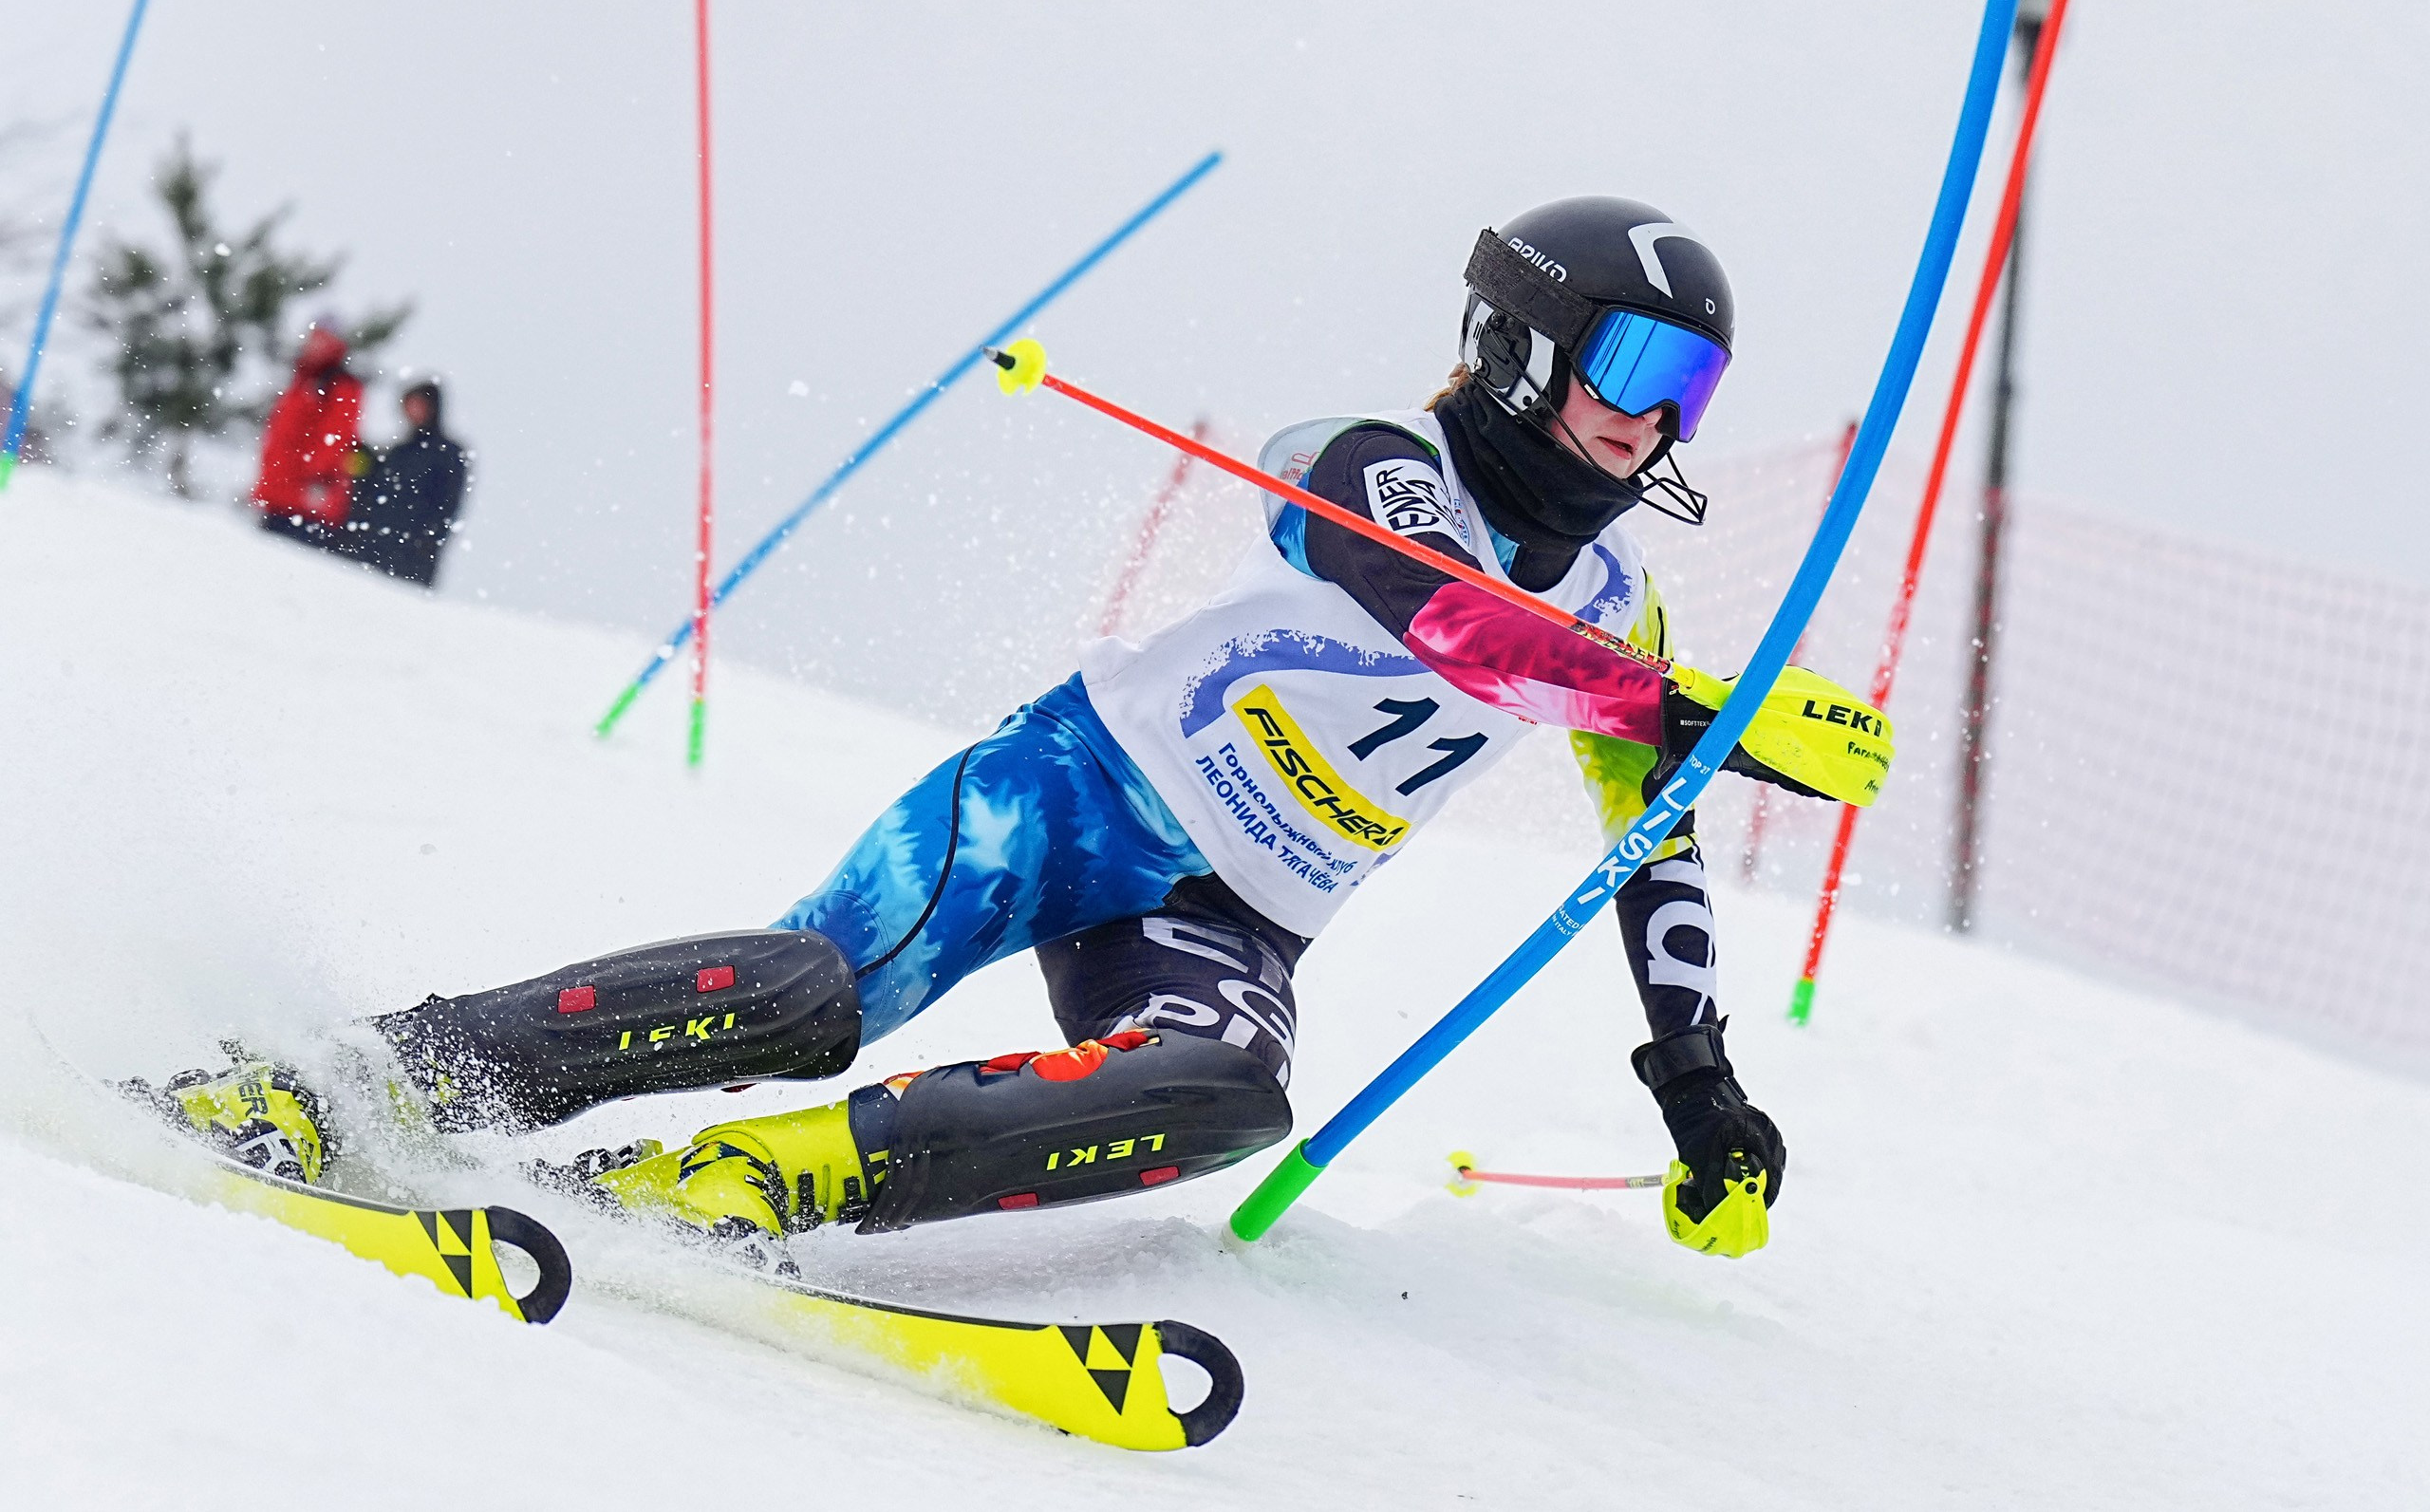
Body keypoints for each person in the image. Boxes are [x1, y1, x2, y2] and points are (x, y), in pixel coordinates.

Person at [154, 198, 1892, 1260]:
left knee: (1224, 1093)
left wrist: (1699, 1076)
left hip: (1232, 917)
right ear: (1524, 346)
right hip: (1075, 795)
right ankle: (374, 1078)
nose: (1655, 422)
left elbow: (1649, 836)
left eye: (1696, 393)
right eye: (1636, 368)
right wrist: (1699, 713)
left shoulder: (1625, 624)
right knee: (806, 994)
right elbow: (1443, 620)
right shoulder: (1368, 460)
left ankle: (762, 1184)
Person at [343, 380, 468, 588]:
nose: (412, 411)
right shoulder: (398, 452)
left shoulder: (448, 454)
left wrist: (426, 542)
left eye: (419, 405)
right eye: (409, 404)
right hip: (373, 551)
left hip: (412, 560)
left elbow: (448, 505)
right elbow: (370, 487)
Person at [251, 319, 363, 551]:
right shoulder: (303, 380)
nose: (314, 346)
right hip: (279, 497)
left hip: (305, 505)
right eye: (313, 339)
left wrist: (319, 478)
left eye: (322, 341)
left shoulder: (338, 385)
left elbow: (336, 437)